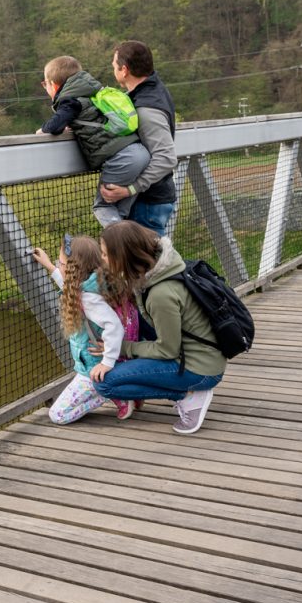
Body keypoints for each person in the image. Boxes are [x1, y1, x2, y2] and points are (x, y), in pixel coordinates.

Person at [92, 220, 224, 434]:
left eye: (106, 255)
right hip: (200, 356)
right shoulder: (162, 268)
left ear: (124, 257)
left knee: (105, 383)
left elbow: (167, 350)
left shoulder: (161, 294)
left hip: (200, 369)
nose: (102, 259)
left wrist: (121, 348)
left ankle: (187, 394)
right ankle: (186, 389)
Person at [30, 234, 141, 423]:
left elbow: (114, 326)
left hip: (93, 370)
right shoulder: (98, 283)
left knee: (58, 415)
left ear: (73, 269)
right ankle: (120, 390)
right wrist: (50, 267)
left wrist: (106, 362)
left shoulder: (89, 298)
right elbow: (71, 288)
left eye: (61, 263)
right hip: (96, 363)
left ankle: (111, 391)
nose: (59, 265)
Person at [37, 55, 152, 226]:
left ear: (54, 85)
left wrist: (43, 130)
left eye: (45, 84)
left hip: (122, 158)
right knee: (120, 213)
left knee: (103, 207)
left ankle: (124, 249)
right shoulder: (92, 92)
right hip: (139, 152)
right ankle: (135, 248)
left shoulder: (70, 99)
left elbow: (56, 124)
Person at [98, 41, 177, 235]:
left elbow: (166, 158)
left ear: (124, 70)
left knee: (149, 265)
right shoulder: (151, 91)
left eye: (114, 64)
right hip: (152, 200)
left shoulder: (147, 108)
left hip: (148, 204)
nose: (112, 68)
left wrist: (130, 190)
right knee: (152, 262)